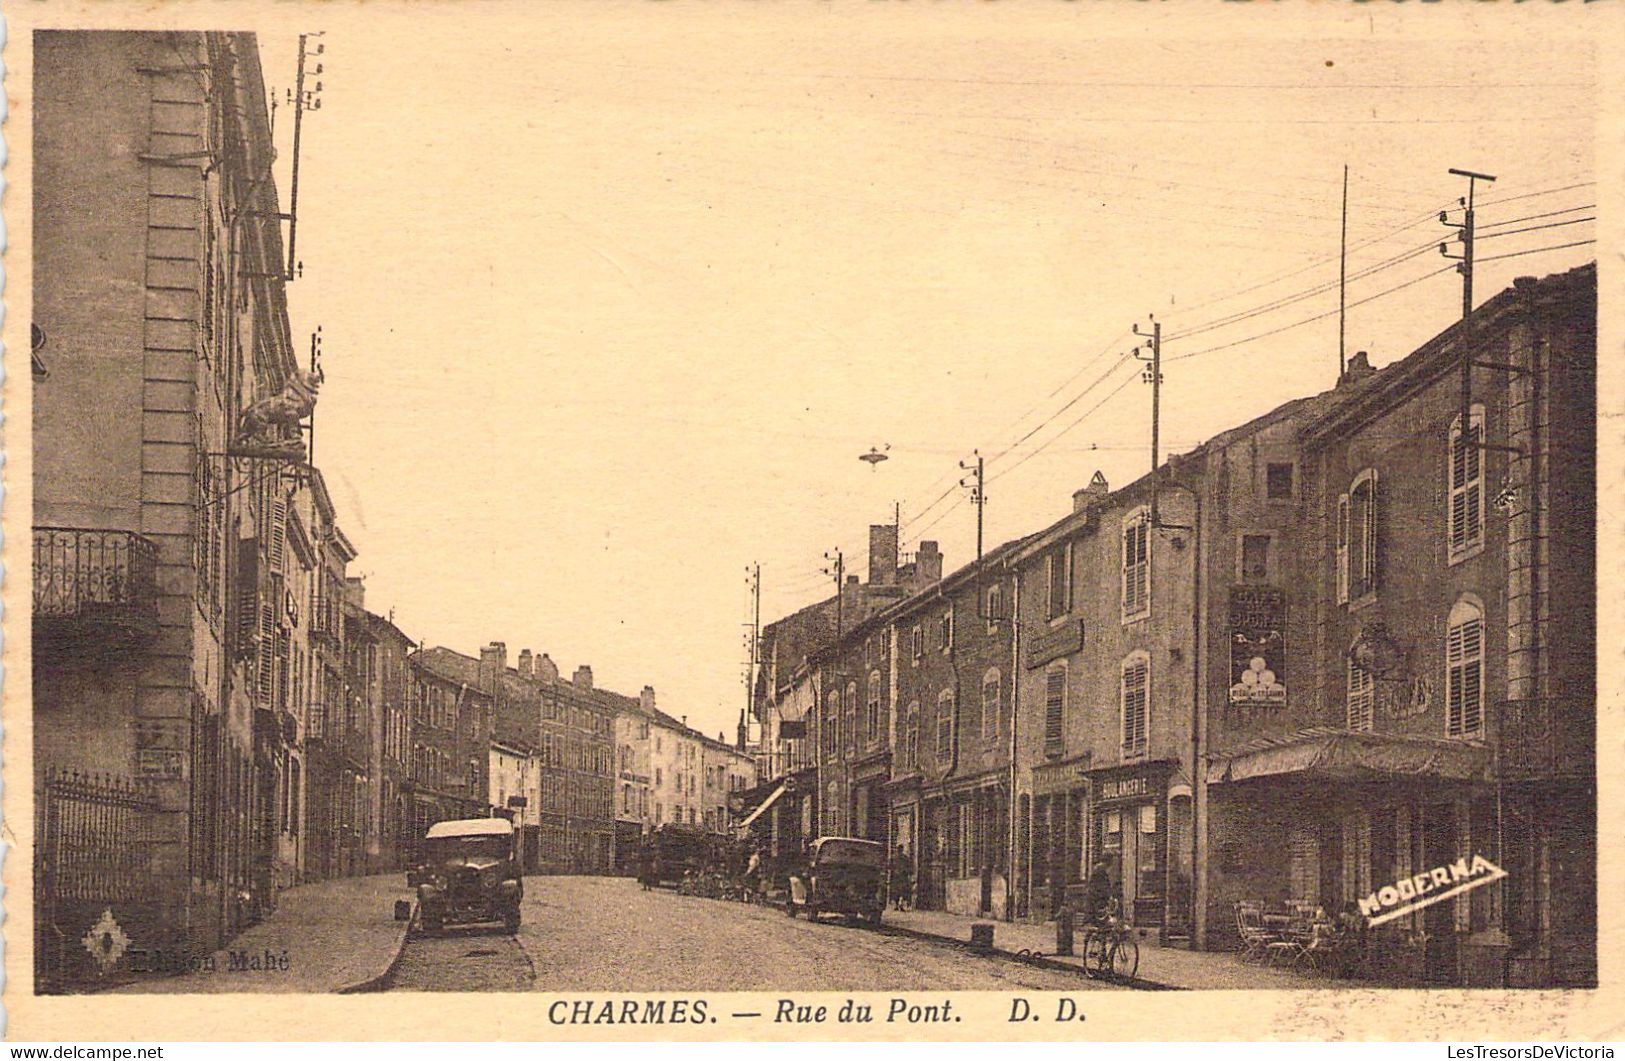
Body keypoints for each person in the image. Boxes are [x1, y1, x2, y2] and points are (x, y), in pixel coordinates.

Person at [1083, 860, 1114, 927]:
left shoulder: (1097, 869)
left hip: (1095, 897)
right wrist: (1109, 895)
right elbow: (1104, 885)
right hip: (1097, 899)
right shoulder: (1101, 870)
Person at [890, 845, 914, 911]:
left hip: (896, 877)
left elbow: (889, 866)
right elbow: (909, 867)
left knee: (896, 891)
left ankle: (896, 905)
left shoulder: (893, 857)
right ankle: (900, 904)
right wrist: (909, 873)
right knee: (902, 891)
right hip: (903, 876)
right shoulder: (905, 858)